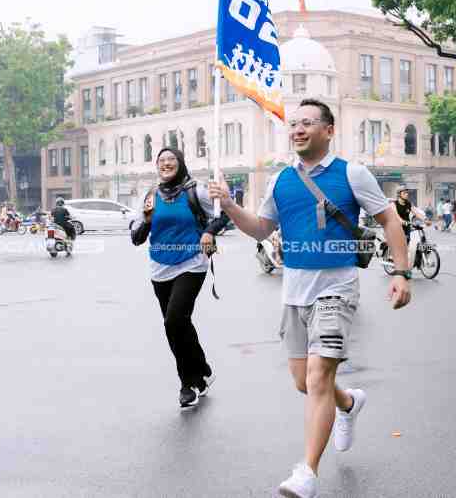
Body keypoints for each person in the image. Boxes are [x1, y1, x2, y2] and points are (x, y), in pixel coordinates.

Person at [208, 98, 411, 498]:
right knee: (305, 382)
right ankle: (348, 403)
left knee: (318, 377)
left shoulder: (351, 173)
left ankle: (307, 472)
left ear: (328, 130)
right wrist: (230, 205)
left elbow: (390, 219)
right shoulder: (281, 181)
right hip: (294, 293)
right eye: (294, 124)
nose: (298, 130)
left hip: (336, 290)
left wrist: (402, 273)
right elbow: (261, 229)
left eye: (307, 123)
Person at [131, 147, 229, 409]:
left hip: (192, 262)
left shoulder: (195, 191)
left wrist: (209, 232)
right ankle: (202, 371)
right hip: (159, 267)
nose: (166, 163)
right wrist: (146, 222)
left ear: (181, 163)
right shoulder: (150, 195)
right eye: (161, 160)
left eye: (171, 159)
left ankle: (187, 384)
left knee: (174, 320)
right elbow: (136, 235)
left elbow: (223, 215)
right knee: (178, 324)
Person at [394, 187, 426, 269]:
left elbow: (416, 213)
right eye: (404, 193)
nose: (407, 194)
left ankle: (415, 261)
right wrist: (402, 221)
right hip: (397, 226)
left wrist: (425, 219)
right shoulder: (394, 204)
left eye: (407, 193)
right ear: (399, 194)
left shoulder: (408, 203)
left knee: (413, 242)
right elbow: (396, 216)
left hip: (407, 226)